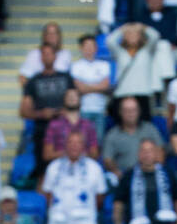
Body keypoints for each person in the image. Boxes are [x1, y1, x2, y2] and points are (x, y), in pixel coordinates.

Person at [41, 130, 107, 224]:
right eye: (71, 143)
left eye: (78, 143)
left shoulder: (94, 168)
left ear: (84, 146)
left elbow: (100, 196)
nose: (74, 147)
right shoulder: (54, 167)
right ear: (65, 145)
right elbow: (47, 193)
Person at [19, 42, 73, 172]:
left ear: (55, 56)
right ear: (40, 58)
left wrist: (66, 111)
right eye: (44, 54)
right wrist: (42, 114)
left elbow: (76, 101)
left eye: (50, 54)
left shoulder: (66, 78)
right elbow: (23, 111)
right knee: (43, 171)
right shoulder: (33, 81)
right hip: (42, 130)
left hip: (65, 129)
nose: (47, 57)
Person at [100, 94, 162, 181]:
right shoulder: (112, 134)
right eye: (127, 110)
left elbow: (160, 151)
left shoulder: (150, 129)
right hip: (124, 177)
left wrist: (154, 170)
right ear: (120, 112)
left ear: (139, 111)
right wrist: (117, 172)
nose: (131, 114)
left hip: (150, 175)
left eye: (133, 110)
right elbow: (107, 159)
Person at [42, 88, 99, 164]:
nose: (72, 98)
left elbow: (95, 153)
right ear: (63, 100)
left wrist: (78, 155)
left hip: (84, 167)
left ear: (80, 100)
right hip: (60, 166)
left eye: (75, 96)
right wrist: (70, 154)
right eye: (69, 96)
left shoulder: (89, 125)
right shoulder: (54, 125)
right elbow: (47, 154)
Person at [70, 34, 112, 138]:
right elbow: (79, 89)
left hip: (100, 110)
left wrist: (87, 87)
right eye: (86, 46)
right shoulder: (75, 66)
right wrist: (98, 87)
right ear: (81, 48)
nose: (89, 49)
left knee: (98, 144)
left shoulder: (104, 65)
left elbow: (105, 86)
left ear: (96, 48)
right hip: (82, 110)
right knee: (83, 143)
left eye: (92, 46)